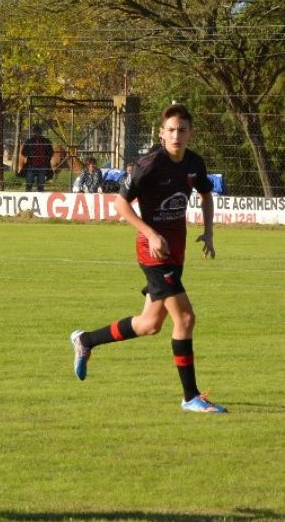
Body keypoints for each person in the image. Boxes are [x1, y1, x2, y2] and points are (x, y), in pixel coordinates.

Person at [70, 104, 226, 413]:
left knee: (149, 324)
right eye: (171, 130)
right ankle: (190, 396)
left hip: (175, 252)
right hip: (152, 253)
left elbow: (207, 195)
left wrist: (209, 232)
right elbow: (120, 204)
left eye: (182, 130)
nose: (176, 136)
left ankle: (86, 340)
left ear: (190, 133)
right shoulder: (149, 165)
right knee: (185, 318)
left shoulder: (194, 163)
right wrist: (150, 234)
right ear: (161, 133)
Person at [22, 125, 53, 192]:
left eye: (38, 132)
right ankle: (28, 193)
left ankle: (39, 196)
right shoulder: (29, 141)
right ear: (33, 132)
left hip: (42, 166)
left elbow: (51, 152)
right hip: (32, 165)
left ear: (40, 133)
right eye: (35, 132)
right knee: (29, 184)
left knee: (40, 185)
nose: (37, 134)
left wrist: (46, 159)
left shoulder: (46, 141)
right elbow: (23, 152)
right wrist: (30, 155)